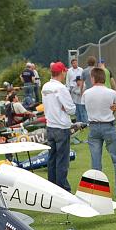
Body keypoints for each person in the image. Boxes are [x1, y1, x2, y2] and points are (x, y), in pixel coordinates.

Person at [82, 67, 116, 198]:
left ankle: (95, 191)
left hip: (93, 128)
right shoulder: (112, 93)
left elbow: (85, 107)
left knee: (96, 161)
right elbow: (114, 108)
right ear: (104, 78)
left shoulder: (86, 93)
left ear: (93, 78)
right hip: (109, 126)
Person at [41, 62, 75, 192]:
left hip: (50, 126)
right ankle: (63, 188)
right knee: (62, 160)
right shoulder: (61, 88)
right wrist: (66, 108)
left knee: (52, 159)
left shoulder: (45, 87)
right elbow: (71, 109)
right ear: (61, 72)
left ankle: (52, 187)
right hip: (61, 127)